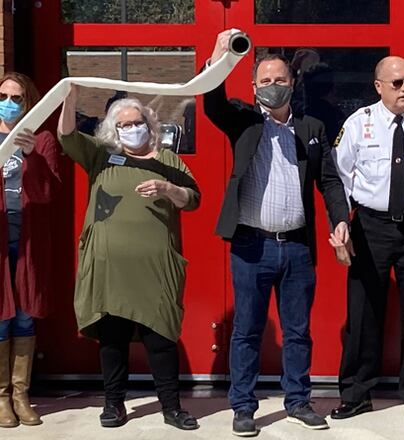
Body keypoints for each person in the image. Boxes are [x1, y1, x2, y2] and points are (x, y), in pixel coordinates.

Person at [204, 31, 350, 437]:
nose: (273, 86)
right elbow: (211, 102)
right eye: (264, 81)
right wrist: (219, 56)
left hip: (297, 248)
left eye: (279, 79)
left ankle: (299, 401)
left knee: (298, 331)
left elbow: (330, 181)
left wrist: (340, 218)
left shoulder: (312, 126)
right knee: (247, 330)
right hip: (251, 245)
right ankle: (243, 406)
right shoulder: (243, 120)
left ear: (292, 83)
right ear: (253, 88)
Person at [58, 87, 200, 431]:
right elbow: (65, 136)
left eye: (137, 122)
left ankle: (172, 407)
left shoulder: (166, 160)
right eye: (123, 125)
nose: (131, 128)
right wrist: (70, 97)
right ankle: (113, 404)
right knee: (113, 339)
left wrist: (168, 189)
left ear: (149, 125)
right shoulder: (102, 156)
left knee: (161, 339)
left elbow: (192, 199)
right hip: (111, 269)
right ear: (113, 130)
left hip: (155, 269)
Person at [330, 55, 404, 422]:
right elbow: (339, 175)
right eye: (396, 83)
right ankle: (357, 392)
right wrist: (341, 221)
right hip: (371, 227)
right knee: (363, 313)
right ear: (378, 86)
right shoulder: (358, 123)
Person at [0, 72, 61, 428]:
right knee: (1, 318)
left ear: (29, 102)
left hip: (27, 242)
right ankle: (2, 397)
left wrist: (30, 156)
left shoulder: (41, 140)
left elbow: (49, 192)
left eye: (17, 97)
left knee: (24, 315)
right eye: (4, 95)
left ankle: (22, 395)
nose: (9, 102)